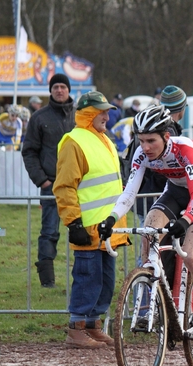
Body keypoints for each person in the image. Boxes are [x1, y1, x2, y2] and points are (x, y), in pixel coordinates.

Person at [97, 104, 193, 342]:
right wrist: (110, 219)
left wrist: (185, 221)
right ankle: (152, 304)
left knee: (192, 256)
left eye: (151, 140)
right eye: (140, 140)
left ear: (166, 136)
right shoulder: (141, 153)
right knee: (149, 233)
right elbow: (129, 193)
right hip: (174, 191)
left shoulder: (184, 149)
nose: (145, 147)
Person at [53, 91, 129, 349]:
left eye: (107, 111)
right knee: (88, 279)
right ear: (88, 114)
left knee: (105, 281)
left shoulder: (103, 139)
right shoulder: (75, 142)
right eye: (102, 112)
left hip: (107, 229)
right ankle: (76, 328)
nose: (107, 116)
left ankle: (93, 324)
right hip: (86, 229)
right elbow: (65, 187)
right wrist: (73, 223)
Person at [22, 73, 75, 288]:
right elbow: (29, 151)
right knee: (49, 232)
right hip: (51, 185)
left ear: (69, 90)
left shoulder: (80, 116)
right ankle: (47, 281)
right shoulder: (39, 117)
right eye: (56, 87)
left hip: (78, 185)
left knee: (82, 230)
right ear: (50, 91)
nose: (60, 90)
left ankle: (81, 279)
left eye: (63, 86)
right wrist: (42, 181)